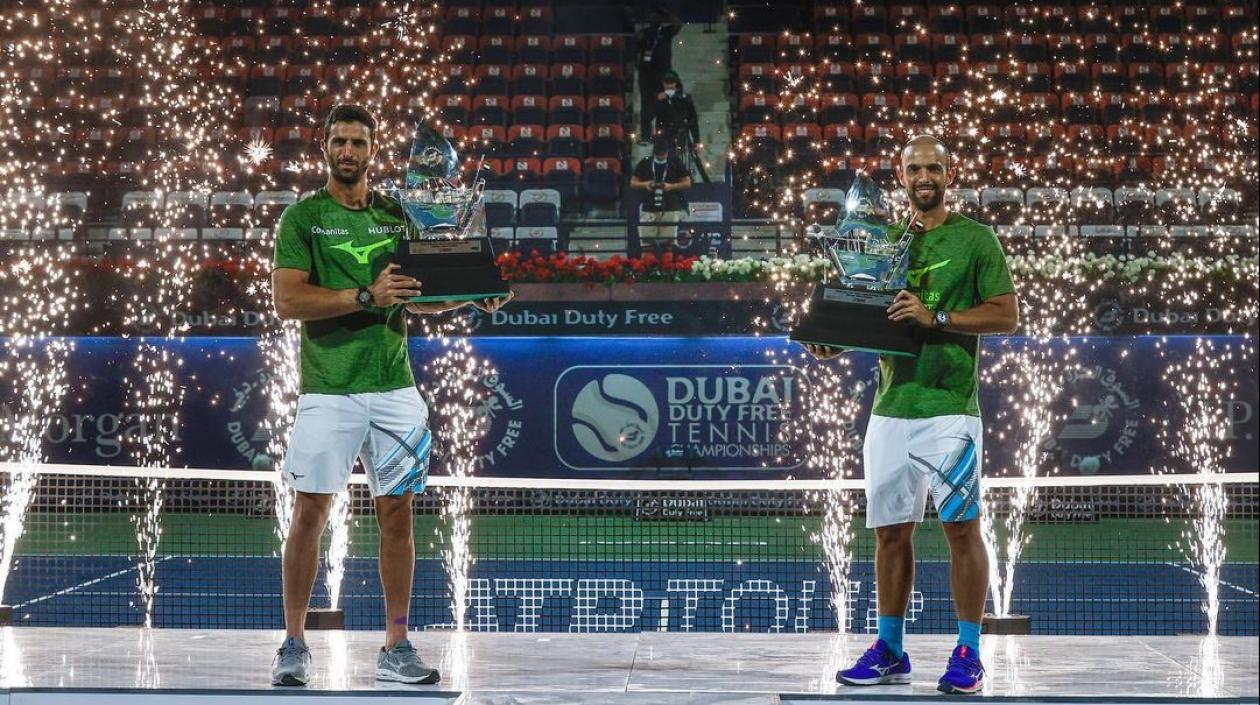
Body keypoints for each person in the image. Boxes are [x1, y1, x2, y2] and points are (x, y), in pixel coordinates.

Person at [269, 105, 511, 687]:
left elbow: (414, 295)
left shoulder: (396, 215)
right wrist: (366, 296)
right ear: (324, 147)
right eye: (339, 141)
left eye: (358, 142)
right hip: (328, 391)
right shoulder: (303, 218)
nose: (348, 151)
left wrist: (471, 296)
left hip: (396, 390)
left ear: (373, 151)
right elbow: (289, 301)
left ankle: (396, 645)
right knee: (310, 514)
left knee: (397, 514)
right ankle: (294, 644)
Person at [806, 136, 1019, 695]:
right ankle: (890, 650)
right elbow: (874, 315)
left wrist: (937, 314)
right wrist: (834, 340)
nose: (924, 176)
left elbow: (1006, 315)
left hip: (949, 409)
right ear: (901, 177)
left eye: (933, 167)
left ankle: (969, 653)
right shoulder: (884, 241)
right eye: (914, 168)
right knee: (890, 535)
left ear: (949, 173)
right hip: (890, 410)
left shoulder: (976, 239)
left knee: (961, 530)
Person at [630, 134, 692, 247]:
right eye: (658, 156)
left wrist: (670, 186)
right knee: (647, 245)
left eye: (663, 156)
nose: (661, 158)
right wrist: (646, 184)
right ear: (654, 154)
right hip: (648, 207)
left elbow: (687, 183)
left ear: (667, 153)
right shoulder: (645, 162)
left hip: (670, 207)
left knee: (668, 245)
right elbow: (633, 182)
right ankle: (648, 264)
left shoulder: (675, 162)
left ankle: (667, 264)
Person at [635, 5, 682, 143]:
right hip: (647, 75)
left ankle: (664, 135)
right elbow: (637, 49)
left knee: (665, 104)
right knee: (646, 106)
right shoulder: (644, 33)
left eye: (657, 16)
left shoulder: (666, 32)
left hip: (664, 74)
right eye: (652, 16)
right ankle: (646, 136)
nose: (654, 19)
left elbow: (678, 24)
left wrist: (667, 14)